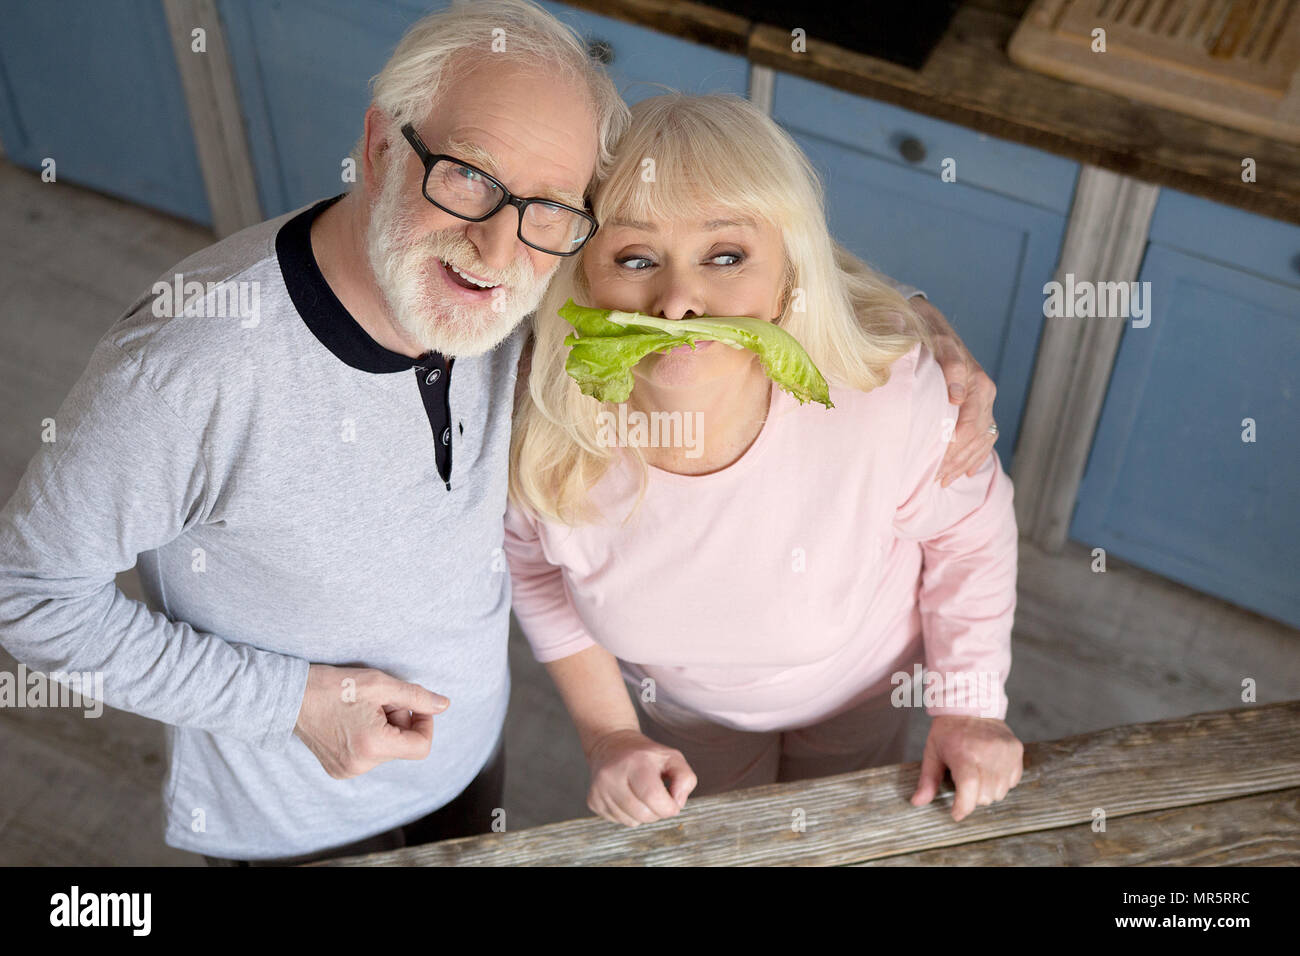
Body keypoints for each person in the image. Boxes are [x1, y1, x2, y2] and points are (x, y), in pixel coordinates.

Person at [0, 1, 995, 863]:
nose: (494, 244)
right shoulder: (190, 370)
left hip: (468, 758)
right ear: (384, 146)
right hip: (294, 801)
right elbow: (26, 596)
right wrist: (289, 702)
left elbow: (712, 269)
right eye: (469, 177)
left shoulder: (523, 303)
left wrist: (912, 326)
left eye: (546, 208)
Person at [505, 92, 1023, 829]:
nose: (679, 301)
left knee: (838, 834)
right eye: (635, 257)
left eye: (726, 256)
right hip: (678, 712)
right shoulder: (548, 429)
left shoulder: (886, 400)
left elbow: (970, 531)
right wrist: (609, 734)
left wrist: (969, 706)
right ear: (584, 280)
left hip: (863, 691)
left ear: (788, 281)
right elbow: (534, 571)